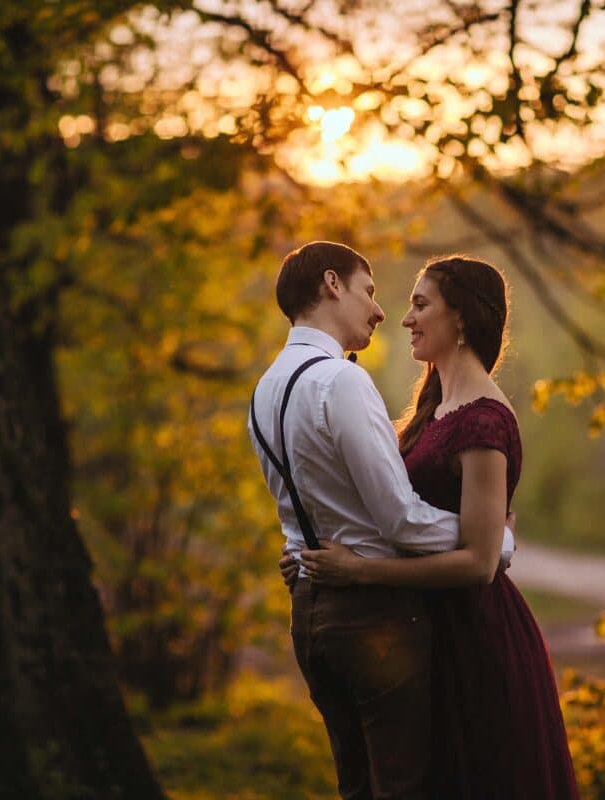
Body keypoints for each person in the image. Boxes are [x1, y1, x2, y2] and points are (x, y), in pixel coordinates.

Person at [297, 255, 580, 799]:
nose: (405, 319)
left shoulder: (483, 420)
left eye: (421, 305)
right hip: (423, 633)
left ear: (463, 320)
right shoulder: (435, 408)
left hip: (474, 638)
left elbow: (478, 563)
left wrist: (361, 572)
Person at [247, 241, 515, 800]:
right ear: (331, 284)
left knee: (356, 785)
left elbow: (303, 510)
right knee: (404, 786)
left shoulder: (265, 389)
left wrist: (303, 551)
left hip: (309, 614)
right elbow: (400, 522)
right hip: (373, 620)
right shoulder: (340, 381)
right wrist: (494, 542)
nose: (380, 310)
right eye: (369, 292)